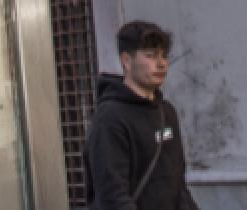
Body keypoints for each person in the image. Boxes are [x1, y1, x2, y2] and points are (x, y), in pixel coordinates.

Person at [84, 21, 199, 209]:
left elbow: (178, 187)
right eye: (151, 56)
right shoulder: (109, 119)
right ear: (127, 61)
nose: (161, 64)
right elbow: (113, 197)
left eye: (164, 56)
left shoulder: (166, 112)